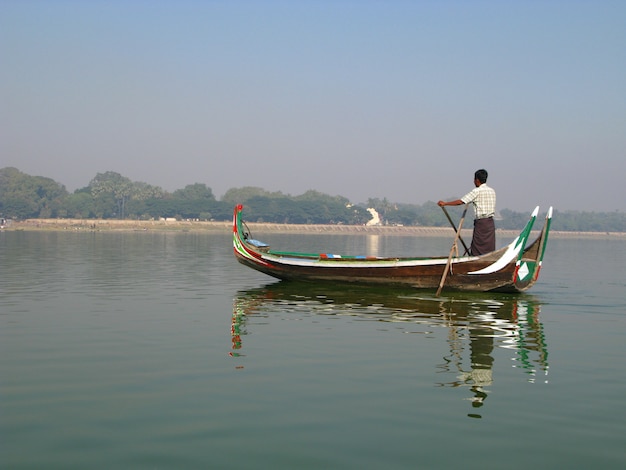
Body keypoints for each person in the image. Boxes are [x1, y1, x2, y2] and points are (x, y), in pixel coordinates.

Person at [438, 169, 496, 255]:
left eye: (474, 179)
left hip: (481, 223)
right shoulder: (492, 191)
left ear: (477, 180)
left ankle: (477, 261)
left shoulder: (476, 191)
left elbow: (461, 201)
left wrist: (445, 203)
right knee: (488, 248)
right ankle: (488, 260)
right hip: (490, 223)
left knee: (478, 248)